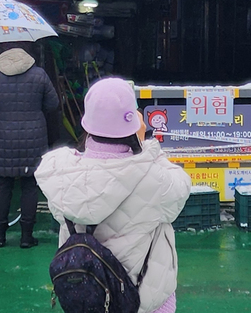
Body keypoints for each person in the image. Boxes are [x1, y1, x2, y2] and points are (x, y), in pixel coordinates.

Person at [36, 77, 191, 313]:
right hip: (139, 298)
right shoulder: (153, 177)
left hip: (88, 296)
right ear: (132, 121)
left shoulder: (62, 172)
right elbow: (181, 188)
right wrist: (145, 146)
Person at [0, 43, 60, 248]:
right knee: (30, 185)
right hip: (34, 136)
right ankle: (26, 237)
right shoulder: (39, 75)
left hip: (3, 136)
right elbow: (53, 104)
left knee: (3, 185)